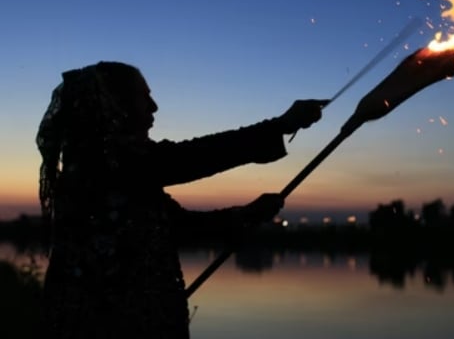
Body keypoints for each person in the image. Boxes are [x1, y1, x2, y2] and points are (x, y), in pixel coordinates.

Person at [35, 61, 329, 338]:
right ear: (114, 106)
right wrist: (280, 125)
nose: (154, 107)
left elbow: (181, 227)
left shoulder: (117, 169)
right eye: (142, 97)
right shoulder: (102, 166)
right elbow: (189, 158)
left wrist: (247, 214)